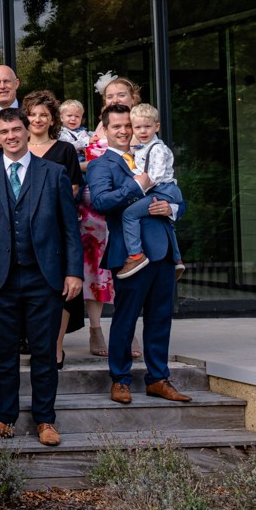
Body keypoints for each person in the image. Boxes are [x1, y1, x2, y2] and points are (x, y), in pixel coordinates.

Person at [0, 109, 84, 448]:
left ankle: (45, 420)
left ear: (27, 131)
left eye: (16, 129)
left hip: (44, 277)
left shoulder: (54, 173)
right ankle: (3, 420)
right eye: (4, 131)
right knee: (3, 354)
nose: (11, 136)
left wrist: (74, 272)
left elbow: (70, 229)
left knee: (44, 352)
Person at [86, 103, 190, 405]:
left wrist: (171, 208)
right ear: (105, 130)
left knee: (160, 318)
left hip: (163, 250)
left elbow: (177, 197)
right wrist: (135, 185)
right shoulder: (100, 164)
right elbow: (101, 203)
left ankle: (158, 379)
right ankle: (120, 379)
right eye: (116, 126)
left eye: (127, 125)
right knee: (126, 318)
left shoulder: (151, 153)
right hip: (130, 256)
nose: (124, 131)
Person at [21, 90, 84, 364]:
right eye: (33, 114)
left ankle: (56, 347)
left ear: (52, 119)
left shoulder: (65, 149)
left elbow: (73, 187)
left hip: (56, 227)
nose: (37, 119)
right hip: (22, 230)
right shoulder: (17, 147)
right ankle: (33, 341)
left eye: (43, 115)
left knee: (61, 288)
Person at [82, 75, 140, 358]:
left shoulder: (141, 126)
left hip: (130, 211)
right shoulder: (98, 131)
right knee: (95, 272)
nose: (115, 99)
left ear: (133, 98)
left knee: (128, 271)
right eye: (109, 96)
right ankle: (95, 329)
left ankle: (127, 329)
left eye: (121, 95)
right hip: (94, 214)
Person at [121, 102, 185, 279]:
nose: (142, 131)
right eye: (138, 127)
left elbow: (154, 177)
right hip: (163, 189)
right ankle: (177, 258)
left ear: (156, 127)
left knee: (129, 214)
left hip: (163, 189)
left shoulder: (158, 149)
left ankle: (135, 255)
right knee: (166, 221)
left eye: (147, 127)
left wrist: (137, 187)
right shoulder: (142, 148)